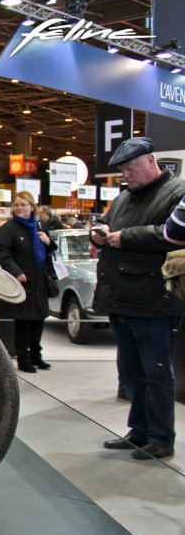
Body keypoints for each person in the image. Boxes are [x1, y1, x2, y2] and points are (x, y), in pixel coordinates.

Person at [93, 137, 185, 460]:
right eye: (121, 170)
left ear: (150, 161)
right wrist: (100, 232)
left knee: (156, 372)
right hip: (123, 298)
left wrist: (123, 238)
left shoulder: (178, 193)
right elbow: (109, 224)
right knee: (131, 371)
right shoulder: (123, 198)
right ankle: (140, 431)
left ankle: (161, 437)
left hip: (155, 301)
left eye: (129, 168)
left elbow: (173, 235)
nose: (124, 175)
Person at [0, 191, 55, 373]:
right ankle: (24, 358)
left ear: (32, 206)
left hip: (40, 281)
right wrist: (16, 272)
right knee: (23, 323)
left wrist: (48, 242)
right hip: (23, 281)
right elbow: (3, 253)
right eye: (17, 205)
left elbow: (52, 251)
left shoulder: (39, 225)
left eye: (23, 204)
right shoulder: (9, 229)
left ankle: (37, 356)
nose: (20, 208)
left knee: (39, 321)